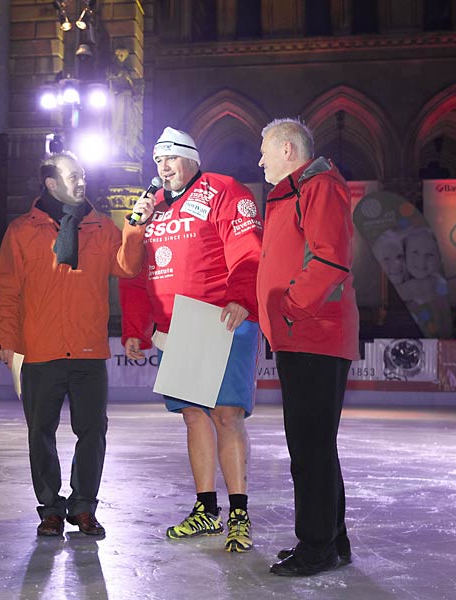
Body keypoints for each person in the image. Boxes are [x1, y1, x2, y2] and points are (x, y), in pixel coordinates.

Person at [0, 152, 154, 537]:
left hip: (88, 350)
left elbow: (127, 267)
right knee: (40, 433)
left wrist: (134, 229)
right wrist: (7, 339)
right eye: (72, 176)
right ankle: (50, 508)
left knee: (92, 432)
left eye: (83, 175)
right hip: (40, 349)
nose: (81, 181)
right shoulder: (22, 230)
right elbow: (7, 289)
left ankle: (83, 506)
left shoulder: (102, 226)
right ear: (51, 183)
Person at [120, 127, 262, 553]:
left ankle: (239, 513)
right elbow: (133, 274)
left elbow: (248, 248)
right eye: (158, 161)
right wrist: (135, 327)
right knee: (193, 416)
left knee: (226, 415)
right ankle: (206, 508)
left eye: (171, 158)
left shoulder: (224, 190)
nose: (163, 167)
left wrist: (242, 296)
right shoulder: (153, 208)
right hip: (177, 328)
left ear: (192, 159)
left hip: (221, 319)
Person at [256, 118, 359, 576]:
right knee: (316, 444)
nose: (259, 160)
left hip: (313, 332)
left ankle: (316, 546)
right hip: (303, 334)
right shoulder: (297, 191)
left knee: (310, 447)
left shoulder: (318, 186)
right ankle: (332, 538)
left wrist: (290, 309)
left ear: (287, 149)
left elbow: (330, 259)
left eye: (264, 150)